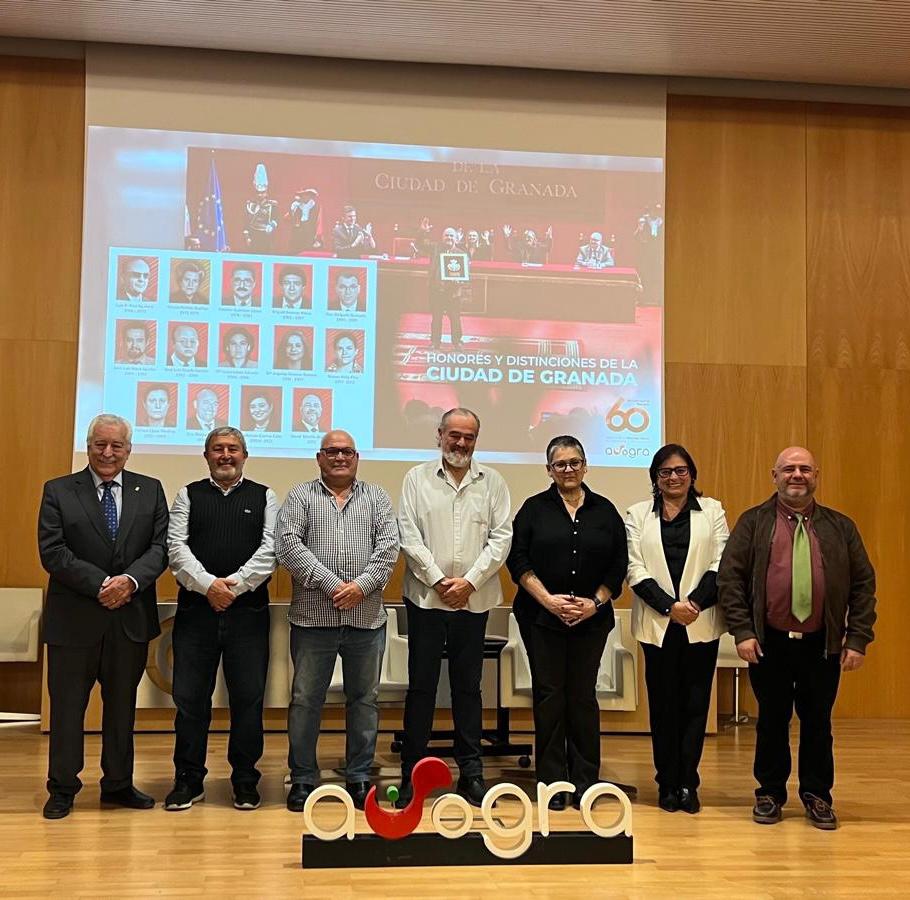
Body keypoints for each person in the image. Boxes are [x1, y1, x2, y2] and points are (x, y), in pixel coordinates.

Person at [718, 446, 877, 830]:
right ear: (774, 476)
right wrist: (743, 631)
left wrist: (857, 638)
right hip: (768, 642)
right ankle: (769, 793)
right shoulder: (754, 523)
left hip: (822, 644)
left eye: (805, 469)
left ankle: (817, 795)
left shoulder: (841, 527)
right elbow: (730, 580)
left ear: (816, 476)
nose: (797, 475)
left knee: (818, 723)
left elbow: (863, 585)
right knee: (771, 721)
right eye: (789, 469)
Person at [37, 414, 169, 819]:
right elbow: (53, 551)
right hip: (74, 619)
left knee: (121, 708)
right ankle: (62, 788)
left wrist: (129, 582)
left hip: (129, 618)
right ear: (88, 445)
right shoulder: (59, 490)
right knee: (67, 710)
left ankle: (118, 784)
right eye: (100, 444)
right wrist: (102, 584)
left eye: (116, 446)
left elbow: (160, 548)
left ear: (129, 450)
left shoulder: (151, 489)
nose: (107, 453)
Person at [276, 430, 399, 811]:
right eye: (332, 451)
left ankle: (359, 776)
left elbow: (388, 548)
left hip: (366, 618)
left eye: (347, 451)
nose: (340, 457)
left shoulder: (377, 498)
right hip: (313, 620)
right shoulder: (300, 496)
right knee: (305, 701)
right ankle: (302, 778)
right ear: (319, 457)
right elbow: (288, 546)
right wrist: (332, 585)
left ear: (357, 457)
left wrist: (361, 587)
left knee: (364, 700)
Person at [397, 408, 512, 807]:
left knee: (468, 688)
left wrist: (469, 583)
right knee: (422, 687)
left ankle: (471, 773)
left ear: (476, 440)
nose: (461, 443)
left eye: (469, 437)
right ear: (440, 435)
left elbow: (501, 538)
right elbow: (408, 535)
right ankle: (412, 773)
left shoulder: (492, 482)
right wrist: (438, 580)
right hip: (426, 599)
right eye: (454, 435)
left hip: (473, 600)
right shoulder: (416, 479)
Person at [506, 435, 627, 811]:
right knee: (549, 696)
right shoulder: (533, 509)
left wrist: (594, 603)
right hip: (541, 618)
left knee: (582, 697)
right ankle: (553, 782)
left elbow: (618, 565)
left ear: (585, 466)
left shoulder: (606, 511)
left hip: (592, 620)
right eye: (560, 464)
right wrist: (549, 601)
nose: (568, 469)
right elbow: (518, 560)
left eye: (575, 462)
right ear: (549, 470)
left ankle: (585, 780)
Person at [165, 427, 278, 811]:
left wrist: (234, 588)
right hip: (196, 614)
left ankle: (245, 780)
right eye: (218, 449)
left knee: (248, 699)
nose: (225, 455)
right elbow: (176, 548)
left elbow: (270, 549)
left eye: (232, 449)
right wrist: (209, 586)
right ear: (206, 455)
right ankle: (188, 779)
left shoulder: (264, 496)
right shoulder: (188, 495)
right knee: (190, 700)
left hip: (248, 614)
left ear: (244, 455)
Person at [625, 444, 729, 814]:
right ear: (655, 477)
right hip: (658, 624)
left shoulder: (712, 511)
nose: (673, 477)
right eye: (665, 471)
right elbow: (634, 568)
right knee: (663, 705)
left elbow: (721, 562)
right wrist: (670, 607)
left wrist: (694, 604)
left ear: (692, 474)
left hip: (700, 622)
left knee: (695, 705)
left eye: (681, 470)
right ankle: (666, 782)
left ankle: (688, 782)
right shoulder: (637, 514)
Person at [417, 218, 465, 348]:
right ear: (442, 237)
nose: (449, 238)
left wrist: (460, 280)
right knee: (436, 318)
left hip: (453, 292)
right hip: (436, 290)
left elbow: (465, 274)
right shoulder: (435, 248)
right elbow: (420, 244)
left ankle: (457, 342)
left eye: (451, 235)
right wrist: (422, 232)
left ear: (456, 238)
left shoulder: (461, 254)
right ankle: (435, 342)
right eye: (446, 235)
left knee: (455, 319)